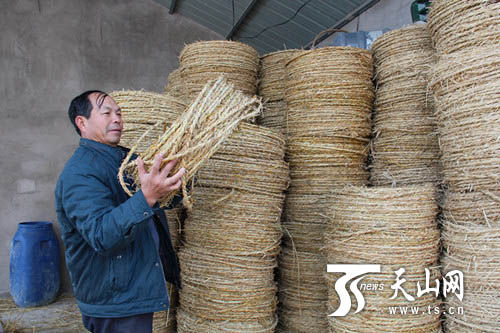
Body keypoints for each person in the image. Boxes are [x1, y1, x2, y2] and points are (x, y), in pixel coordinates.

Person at [55, 90, 185, 332]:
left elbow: (161, 201)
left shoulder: (125, 159)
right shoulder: (80, 173)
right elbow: (102, 235)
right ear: (81, 122)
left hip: (129, 289)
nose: (117, 119)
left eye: (119, 113)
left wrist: (183, 171)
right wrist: (147, 196)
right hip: (113, 299)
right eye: (106, 113)